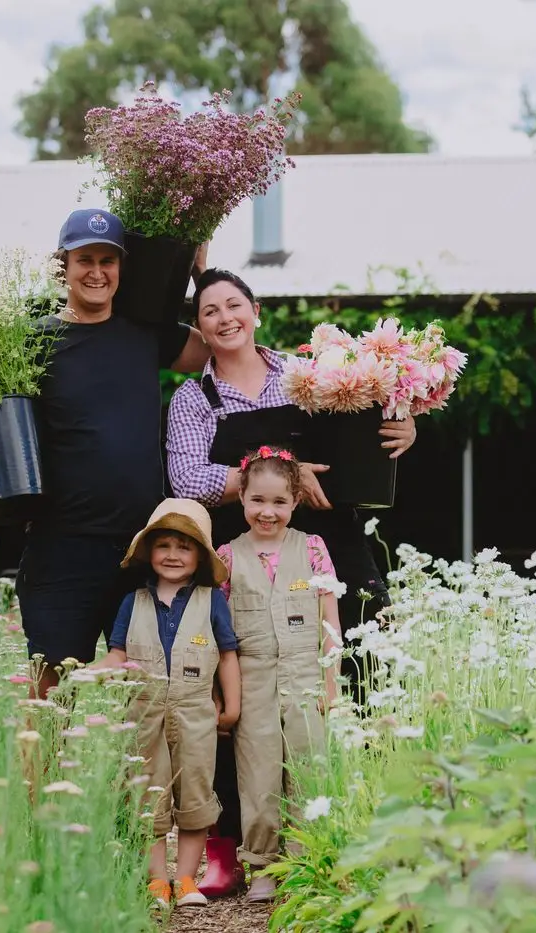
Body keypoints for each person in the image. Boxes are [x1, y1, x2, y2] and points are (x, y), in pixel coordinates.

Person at [165, 267, 415, 896]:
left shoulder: (310, 376)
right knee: (233, 695)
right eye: (210, 311)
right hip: (238, 555)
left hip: (329, 543)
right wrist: (276, 478)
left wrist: (403, 423)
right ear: (198, 328)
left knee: (356, 667)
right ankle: (233, 843)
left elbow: (367, 428)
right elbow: (189, 477)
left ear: (255, 311)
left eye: (235, 305)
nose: (225, 318)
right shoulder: (194, 400)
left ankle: (356, 824)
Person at [0, 209, 211, 696]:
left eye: (108, 261)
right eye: (84, 259)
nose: (97, 272)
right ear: (63, 267)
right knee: (52, 687)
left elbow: (218, 347)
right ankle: (45, 775)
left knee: (150, 687)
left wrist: (200, 274)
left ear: (122, 268)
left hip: (143, 547)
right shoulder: (32, 342)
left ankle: (131, 776)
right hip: (62, 544)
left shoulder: (146, 332)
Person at [95, 498, 240, 910]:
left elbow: (228, 654)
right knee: (149, 799)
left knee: (195, 798)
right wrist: (101, 667)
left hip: (195, 713)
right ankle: (158, 881)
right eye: (164, 545)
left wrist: (232, 706)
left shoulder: (211, 600)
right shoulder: (132, 601)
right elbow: (118, 652)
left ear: (200, 555)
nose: (173, 555)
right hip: (143, 714)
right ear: (149, 552)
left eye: (185, 546)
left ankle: (186, 880)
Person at [215, 447, 340, 903]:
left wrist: (332, 683)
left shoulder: (311, 548)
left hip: (306, 676)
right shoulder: (226, 556)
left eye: (279, 503)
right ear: (242, 499)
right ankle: (262, 866)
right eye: (258, 501)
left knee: (310, 771)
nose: (268, 512)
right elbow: (219, 635)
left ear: (295, 503)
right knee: (258, 775)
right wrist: (223, 697)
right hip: (253, 684)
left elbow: (331, 622)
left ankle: (310, 862)